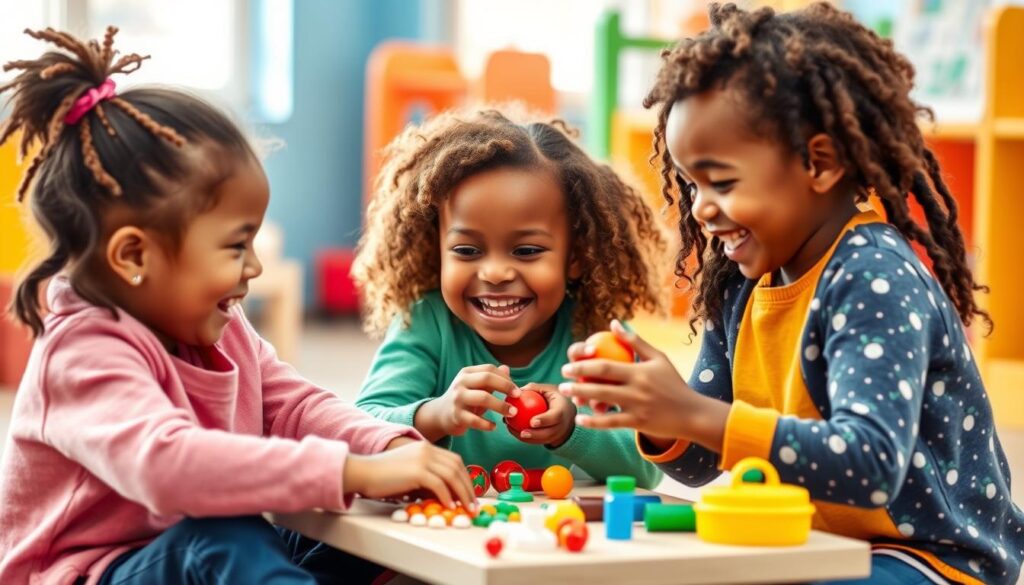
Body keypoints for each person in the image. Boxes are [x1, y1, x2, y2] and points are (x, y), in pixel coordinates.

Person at [559, 3, 1023, 584]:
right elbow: (704, 459)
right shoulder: (742, 284)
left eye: (721, 181)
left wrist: (692, 412)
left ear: (818, 162)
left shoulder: (873, 278)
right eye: (690, 182)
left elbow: (870, 464)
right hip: (815, 545)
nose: (700, 208)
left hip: (933, 559)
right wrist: (658, 413)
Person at [0, 26, 474, 585]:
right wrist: (355, 469)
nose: (254, 267)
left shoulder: (217, 326)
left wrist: (390, 447)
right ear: (134, 254)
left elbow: (294, 407)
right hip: (97, 572)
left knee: (365, 523)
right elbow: (168, 466)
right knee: (226, 533)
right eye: (234, 245)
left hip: (193, 552)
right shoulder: (81, 352)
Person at [354, 108, 665, 487]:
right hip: (439, 537)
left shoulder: (594, 334)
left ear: (577, 258)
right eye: (467, 251)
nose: (496, 273)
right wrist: (436, 414)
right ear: (435, 250)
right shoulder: (427, 323)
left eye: (527, 251)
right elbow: (359, 429)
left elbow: (647, 467)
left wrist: (572, 430)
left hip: (551, 540)